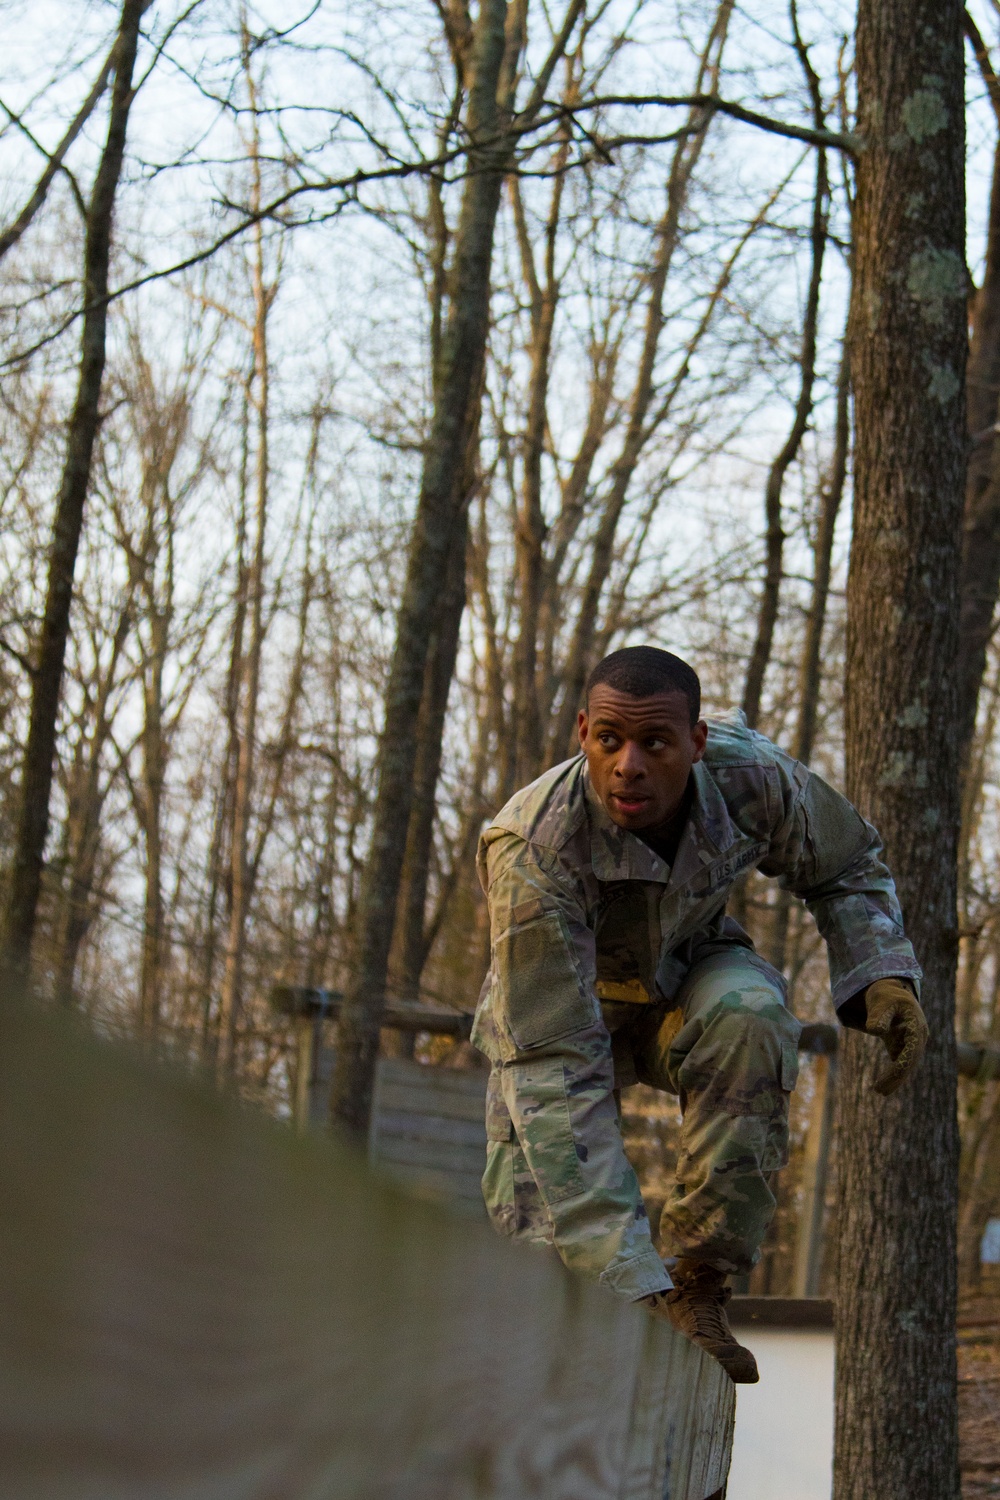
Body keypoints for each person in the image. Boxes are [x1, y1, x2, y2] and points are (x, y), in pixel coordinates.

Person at [472, 645, 927, 1383]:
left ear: (697, 743)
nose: (629, 766)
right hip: (564, 1016)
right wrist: (629, 1277)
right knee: (539, 1247)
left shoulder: (752, 779)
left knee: (752, 1017)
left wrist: (882, 974)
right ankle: (617, 1316)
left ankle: (699, 1284)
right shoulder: (534, 849)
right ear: (583, 733)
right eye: (609, 740)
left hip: (686, 980)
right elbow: (555, 1068)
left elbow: (846, 860)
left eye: (656, 743)